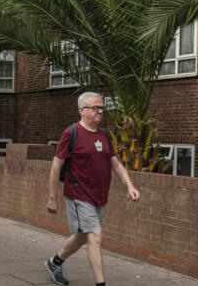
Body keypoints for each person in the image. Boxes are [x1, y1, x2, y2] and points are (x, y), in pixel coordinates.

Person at [44, 92, 140, 286]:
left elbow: (115, 162)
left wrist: (130, 185)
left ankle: (54, 263)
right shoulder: (72, 133)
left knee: (82, 236)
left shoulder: (104, 134)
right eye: (95, 108)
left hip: (99, 196)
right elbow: (56, 165)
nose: (100, 111)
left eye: (102, 107)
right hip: (79, 195)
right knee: (95, 236)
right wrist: (52, 197)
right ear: (82, 110)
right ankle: (100, 284)